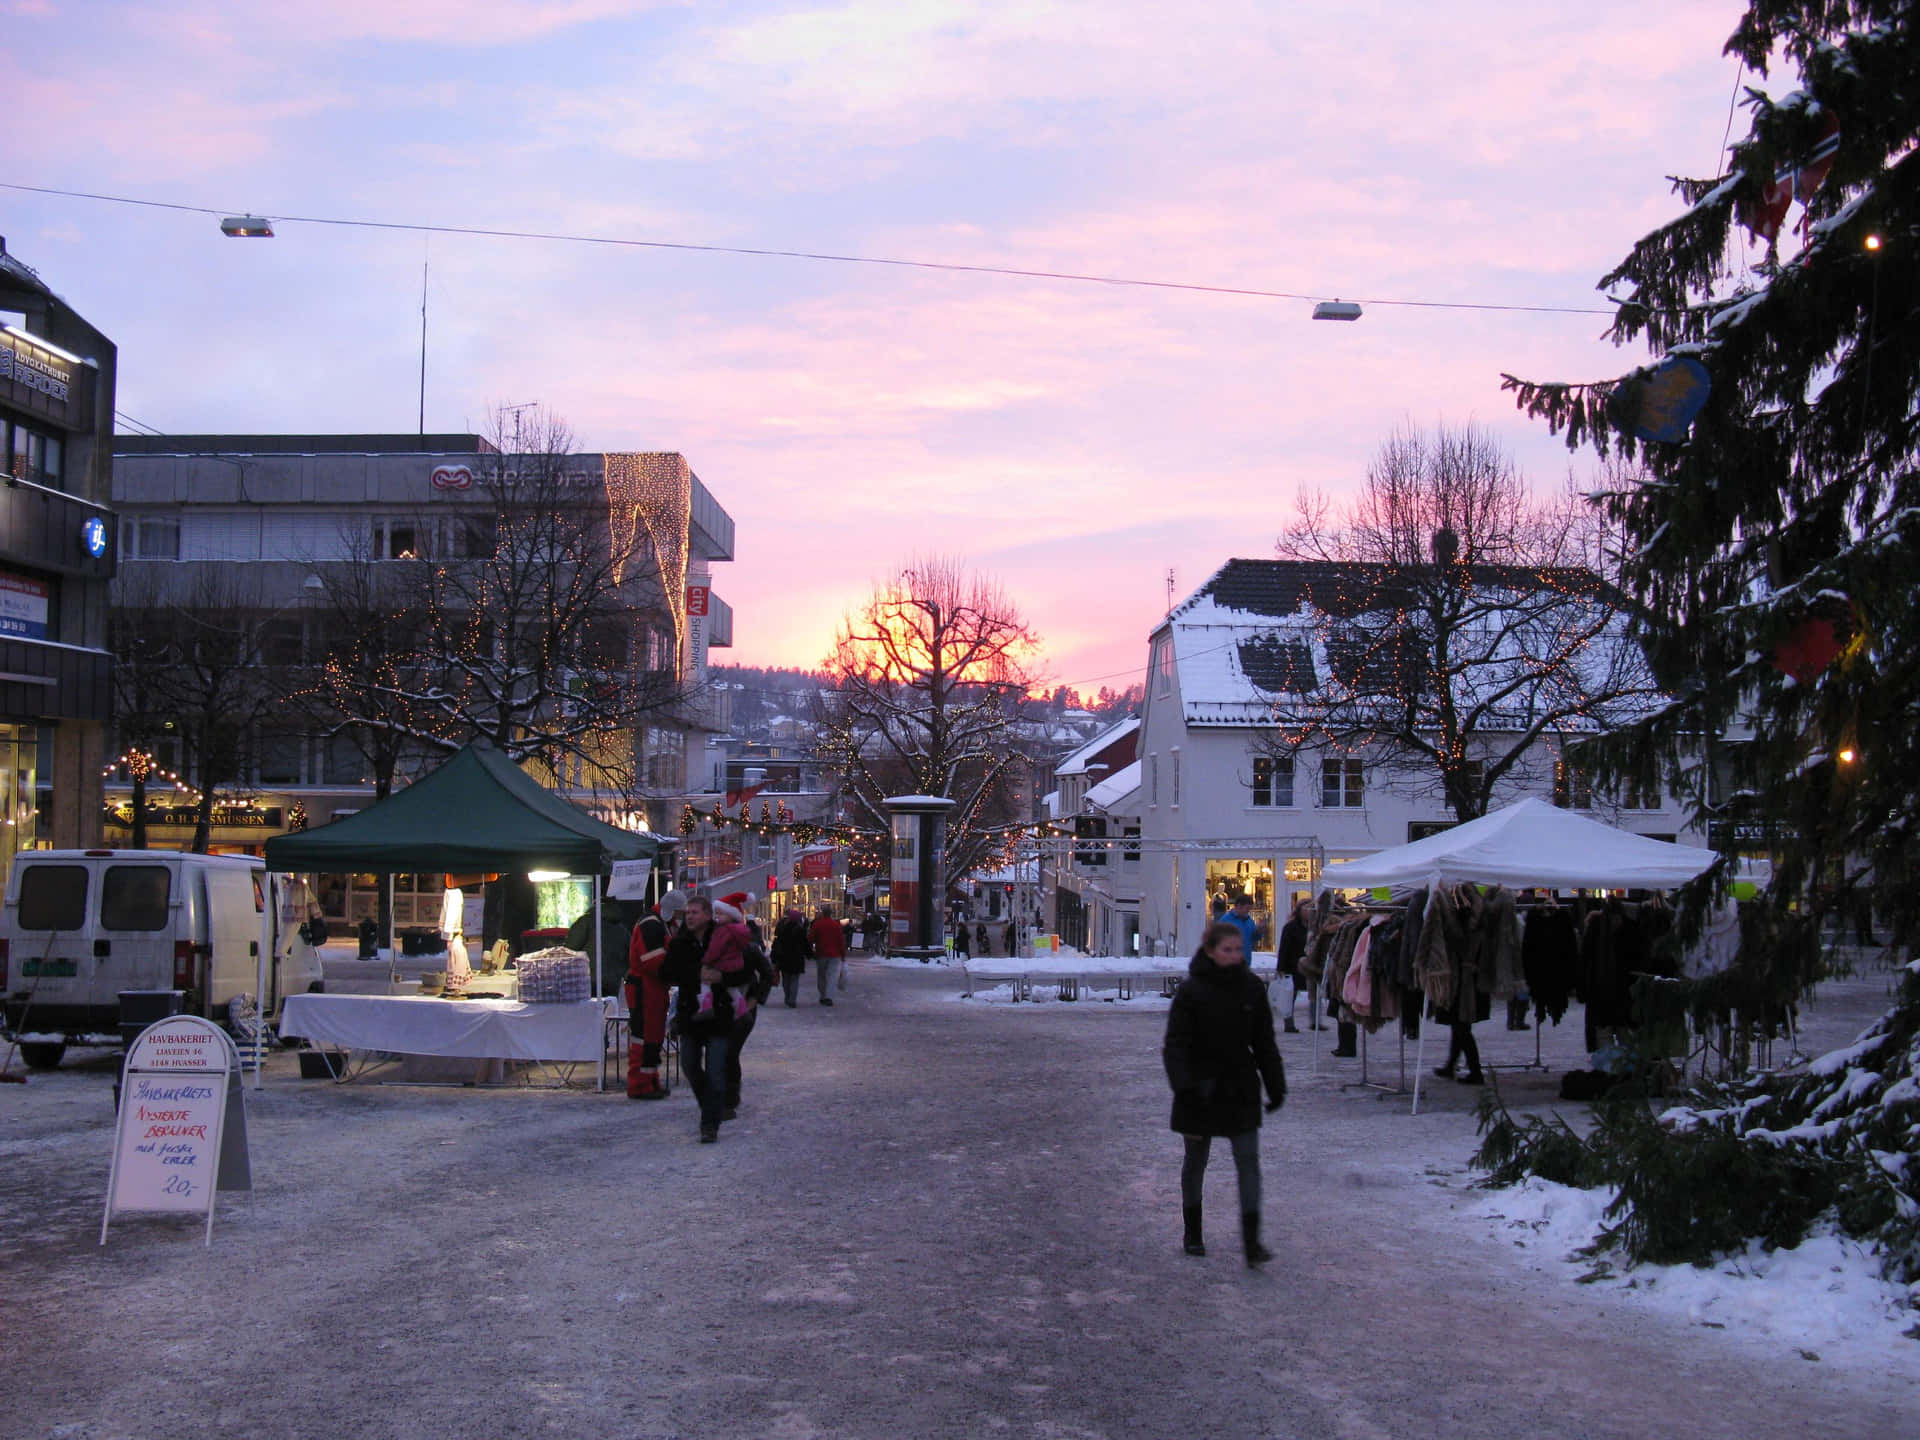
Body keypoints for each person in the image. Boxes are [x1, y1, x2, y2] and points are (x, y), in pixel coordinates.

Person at [1163, 921, 1286, 1265]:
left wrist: (1276, 1086)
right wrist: (1185, 1087)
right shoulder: (1191, 991)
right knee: (1195, 1163)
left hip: (1239, 1087)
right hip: (1199, 1089)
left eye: (1238, 949)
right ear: (1211, 950)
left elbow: (1264, 1043)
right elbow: (1175, 1046)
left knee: (1248, 1163)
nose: (1234, 955)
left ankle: (1252, 1241)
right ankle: (1193, 1232)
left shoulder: (1251, 988)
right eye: (1227, 949)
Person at [661, 895, 744, 1142]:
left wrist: (722, 978)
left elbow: (743, 971)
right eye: (687, 912)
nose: (690, 916)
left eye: (695, 912)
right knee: (689, 1066)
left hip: (718, 1015)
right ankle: (711, 1106)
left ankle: (709, 1124)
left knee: (717, 1072)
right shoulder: (680, 942)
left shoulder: (724, 939)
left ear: (708, 915)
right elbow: (667, 972)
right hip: (691, 1015)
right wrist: (694, 974)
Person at [624, 898, 674, 1100]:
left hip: (651, 987)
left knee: (651, 1036)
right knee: (644, 1036)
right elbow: (653, 961)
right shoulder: (652, 925)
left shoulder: (656, 922)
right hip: (645, 988)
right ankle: (639, 1085)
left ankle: (650, 1081)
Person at [1275, 899, 1307, 1034]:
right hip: (1292, 966)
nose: (1309, 913)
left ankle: (1316, 1021)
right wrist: (1281, 968)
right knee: (1290, 995)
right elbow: (1284, 948)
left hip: (1309, 965)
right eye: (1306, 909)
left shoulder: (1315, 927)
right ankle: (1289, 1023)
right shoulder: (1290, 927)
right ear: (1299, 911)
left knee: (1315, 992)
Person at [771, 907, 812, 1008]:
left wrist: (775, 957)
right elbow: (805, 944)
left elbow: (778, 942)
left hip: (784, 958)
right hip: (797, 959)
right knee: (794, 980)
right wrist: (810, 954)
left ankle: (787, 996)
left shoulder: (782, 929)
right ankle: (792, 999)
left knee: (786, 979)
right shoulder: (801, 930)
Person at [809, 905, 848, 1006]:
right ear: (831, 914)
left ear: (822, 913)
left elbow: (811, 938)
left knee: (821, 975)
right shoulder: (836, 925)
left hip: (821, 953)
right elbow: (841, 941)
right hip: (835, 954)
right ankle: (829, 997)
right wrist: (843, 955)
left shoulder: (818, 924)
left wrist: (812, 949)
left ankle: (822, 995)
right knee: (832, 976)